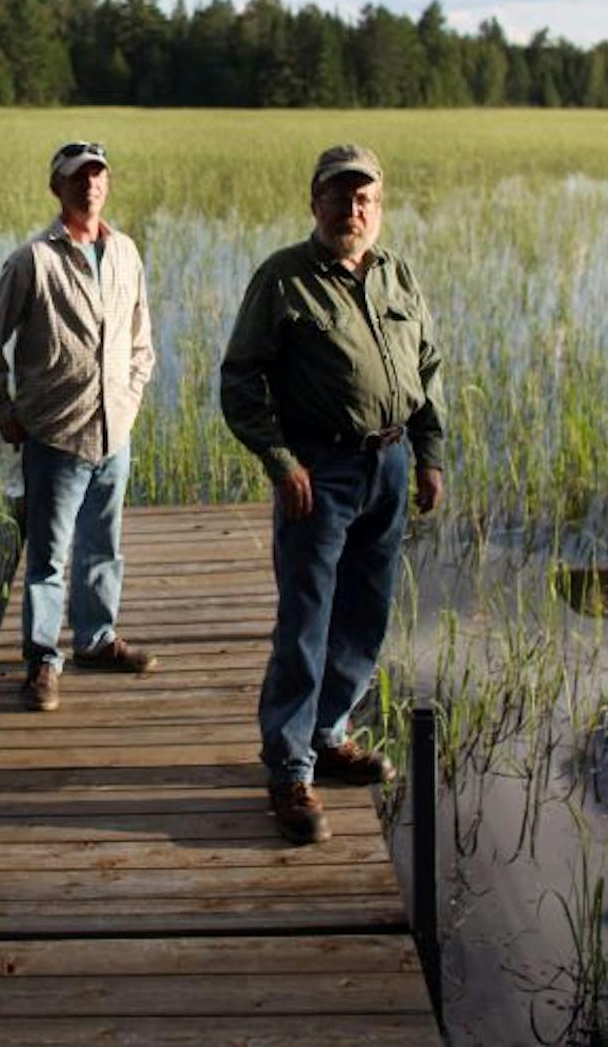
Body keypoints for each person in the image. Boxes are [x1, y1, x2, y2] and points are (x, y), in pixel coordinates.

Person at [219, 144, 447, 845]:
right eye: (340, 197)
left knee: (364, 613)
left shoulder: (397, 275)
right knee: (307, 620)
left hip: (389, 464)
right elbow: (240, 380)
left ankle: (329, 732)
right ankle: (289, 768)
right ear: (314, 202)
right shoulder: (284, 278)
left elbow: (429, 367)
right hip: (319, 471)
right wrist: (281, 461)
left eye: (365, 198)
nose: (353, 210)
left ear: (378, 206)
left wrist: (430, 454)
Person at [0, 141, 158, 712]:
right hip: (56, 437)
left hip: (113, 435)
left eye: (98, 176)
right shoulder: (34, 260)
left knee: (104, 546)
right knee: (49, 558)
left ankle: (96, 641)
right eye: (78, 178)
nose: (90, 186)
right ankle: (43, 661)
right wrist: (2, 408)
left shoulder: (124, 251)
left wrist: (128, 398)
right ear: (58, 188)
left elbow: (141, 341)